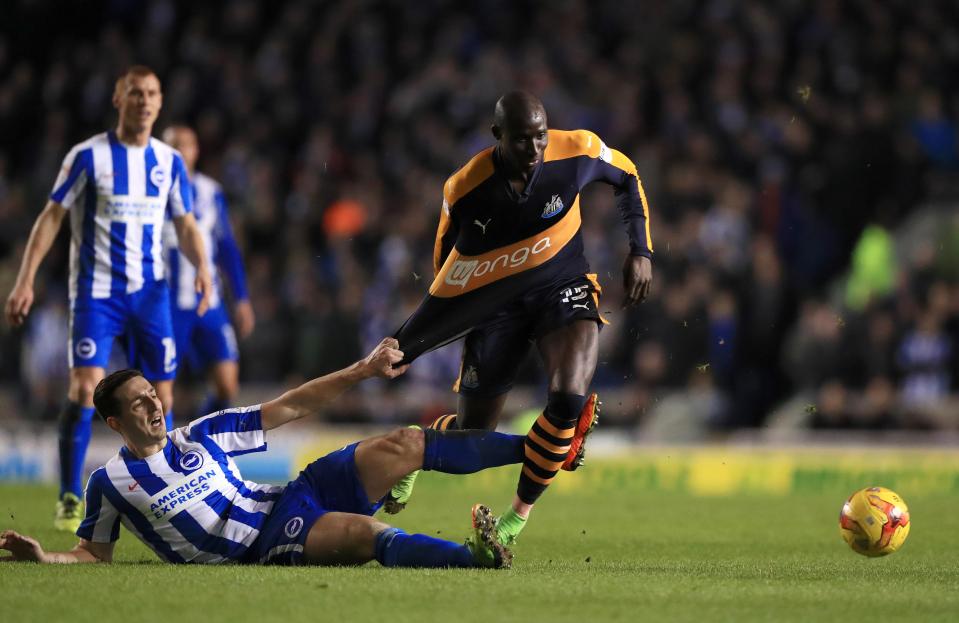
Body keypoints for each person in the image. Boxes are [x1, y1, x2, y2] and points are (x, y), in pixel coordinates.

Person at [0, 338, 521, 568]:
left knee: (406, 442)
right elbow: (94, 553)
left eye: (151, 394)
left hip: (293, 494)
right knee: (368, 535)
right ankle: (475, 560)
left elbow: (291, 406)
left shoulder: (199, 433)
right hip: (266, 540)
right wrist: (45, 555)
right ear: (115, 423)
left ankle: (538, 446)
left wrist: (361, 369)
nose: (152, 404)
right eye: (138, 404)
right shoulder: (108, 483)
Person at [392, 91, 654, 546]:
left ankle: (512, 523)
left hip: (562, 287)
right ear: (497, 136)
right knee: (474, 438)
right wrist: (443, 325)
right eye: (521, 141)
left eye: (540, 137)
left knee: (569, 397)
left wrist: (641, 251)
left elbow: (627, 175)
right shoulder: (465, 189)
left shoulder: (575, 150)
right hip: (496, 305)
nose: (534, 150)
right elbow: (443, 268)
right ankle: (418, 446)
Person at [3, 66, 213, 532]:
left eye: (152, 93)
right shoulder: (88, 156)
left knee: (163, 394)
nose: (144, 101)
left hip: (150, 294)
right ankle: (67, 496)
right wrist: (25, 279)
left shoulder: (168, 161)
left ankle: (163, 486)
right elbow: (52, 216)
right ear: (118, 100)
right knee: (82, 389)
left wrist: (203, 269)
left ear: (160, 104)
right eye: (135, 93)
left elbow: (186, 223)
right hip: (97, 294)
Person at [158, 125, 254, 420]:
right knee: (163, 390)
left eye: (186, 145)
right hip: (167, 304)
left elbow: (226, 248)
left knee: (227, 384)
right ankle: (165, 458)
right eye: (173, 145)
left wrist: (241, 298)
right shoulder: (151, 192)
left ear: (195, 150)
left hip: (208, 302)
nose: (180, 151)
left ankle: (199, 440)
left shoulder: (211, 192)